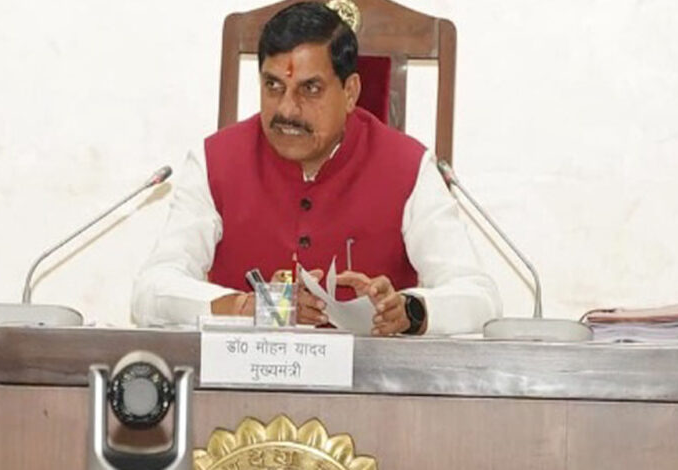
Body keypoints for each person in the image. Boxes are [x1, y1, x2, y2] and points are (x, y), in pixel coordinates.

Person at [131, 1, 500, 335]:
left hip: (371, 385)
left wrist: (408, 311)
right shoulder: (215, 161)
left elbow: (479, 297)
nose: (287, 109)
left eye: (310, 89)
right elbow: (151, 291)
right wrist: (249, 307)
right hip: (241, 380)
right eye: (273, 85)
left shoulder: (408, 167)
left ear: (350, 92)